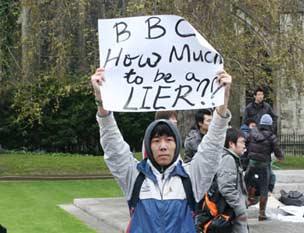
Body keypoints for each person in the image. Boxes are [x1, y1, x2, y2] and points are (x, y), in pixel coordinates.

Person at [91, 67, 232, 233]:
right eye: (156, 140)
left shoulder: (192, 176)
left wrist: (223, 100)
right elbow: (113, 145)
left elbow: (213, 146)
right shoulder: (134, 176)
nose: (163, 146)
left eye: (169, 140)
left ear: (177, 143)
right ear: (148, 146)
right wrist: (101, 100)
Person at [197, 128, 249, 233]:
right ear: (231, 144)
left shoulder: (229, 157)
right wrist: (240, 208)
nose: (244, 145)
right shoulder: (228, 159)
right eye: (242, 142)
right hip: (231, 212)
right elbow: (226, 187)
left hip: (230, 212)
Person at [244, 114, 284, 221]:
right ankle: (261, 213)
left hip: (252, 163)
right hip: (263, 165)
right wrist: (280, 157)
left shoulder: (252, 132)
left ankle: (244, 205)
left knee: (245, 183)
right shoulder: (271, 136)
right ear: (270, 124)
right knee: (264, 189)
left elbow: (245, 143)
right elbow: (277, 150)